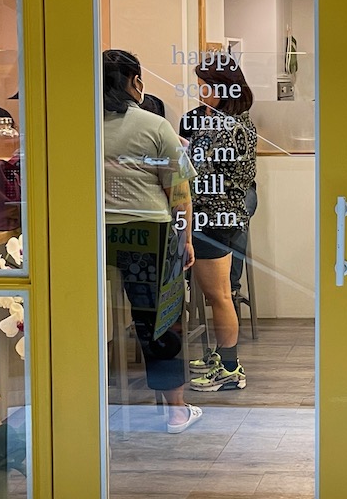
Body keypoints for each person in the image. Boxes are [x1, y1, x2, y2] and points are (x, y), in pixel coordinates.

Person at [102, 49, 201, 434]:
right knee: (160, 322)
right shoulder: (155, 126)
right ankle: (176, 410)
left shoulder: (78, 123)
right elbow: (178, 192)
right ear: (133, 82)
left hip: (95, 236)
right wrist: (186, 240)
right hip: (149, 234)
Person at [179, 59, 257, 393]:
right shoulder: (237, 121)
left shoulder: (223, 127)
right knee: (221, 294)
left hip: (214, 218)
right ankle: (223, 358)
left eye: (206, 86)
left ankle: (229, 368)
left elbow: (202, 178)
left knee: (219, 296)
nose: (201, 92)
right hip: (228, 215)